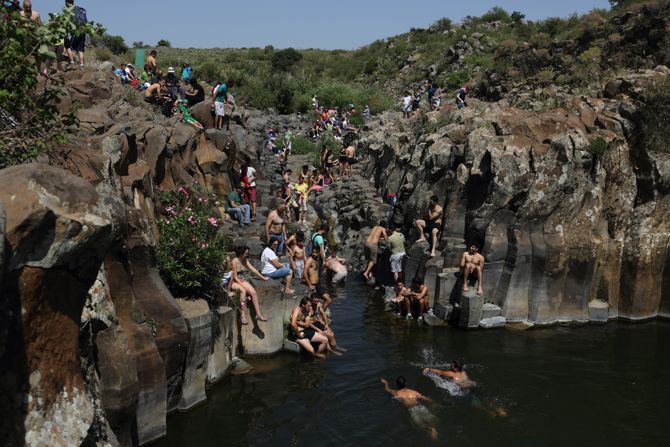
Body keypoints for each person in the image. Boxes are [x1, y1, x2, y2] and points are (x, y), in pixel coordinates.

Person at [222, 246, 269, 325]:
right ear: (241, 253)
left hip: (242, 280)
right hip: (233, 280)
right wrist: (243, 286)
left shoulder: (245, 260)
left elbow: (252, 269)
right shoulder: (235, 261)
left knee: (253, 292)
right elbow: (235, 277)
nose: (248, 253)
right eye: (246, 252)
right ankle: (243, 316)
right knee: (243, 291)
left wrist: (263, 278)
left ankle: (258, 314)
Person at [380, 377, 438, 441]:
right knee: (429, 418)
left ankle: (430, 429)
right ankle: (433, 428)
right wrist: (433, 403)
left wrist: (386, 383)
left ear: (397, 384)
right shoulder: (414, 392)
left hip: (412, 410)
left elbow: (387, 389)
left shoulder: (396, 393)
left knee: (419, 423)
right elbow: (425, 398)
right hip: (420, 407)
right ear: (406, 383)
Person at [63, 0, 86, 67]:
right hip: (82, 31)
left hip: (74, 31)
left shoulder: (69, 10)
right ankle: (81, 64)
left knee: (68, 46)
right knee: (80, 49)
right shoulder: (79, 9)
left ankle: (72, 62)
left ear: (67, 2)